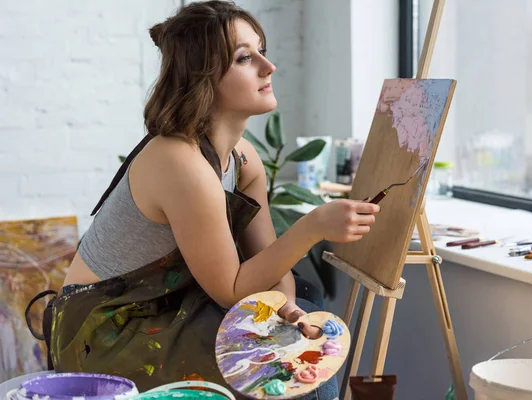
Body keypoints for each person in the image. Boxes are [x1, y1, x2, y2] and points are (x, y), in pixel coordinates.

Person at [26, 1, 379, 399]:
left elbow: (270, 262)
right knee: (284, 367)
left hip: (169, 301)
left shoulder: (244, 159)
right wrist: (312, 227)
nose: (268, 66)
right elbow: (231, 288)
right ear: (203, 79)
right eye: (246, 58)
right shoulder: (180, 161)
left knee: (304, 314)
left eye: (262, 50)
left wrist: (289, 312)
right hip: (107, 330)